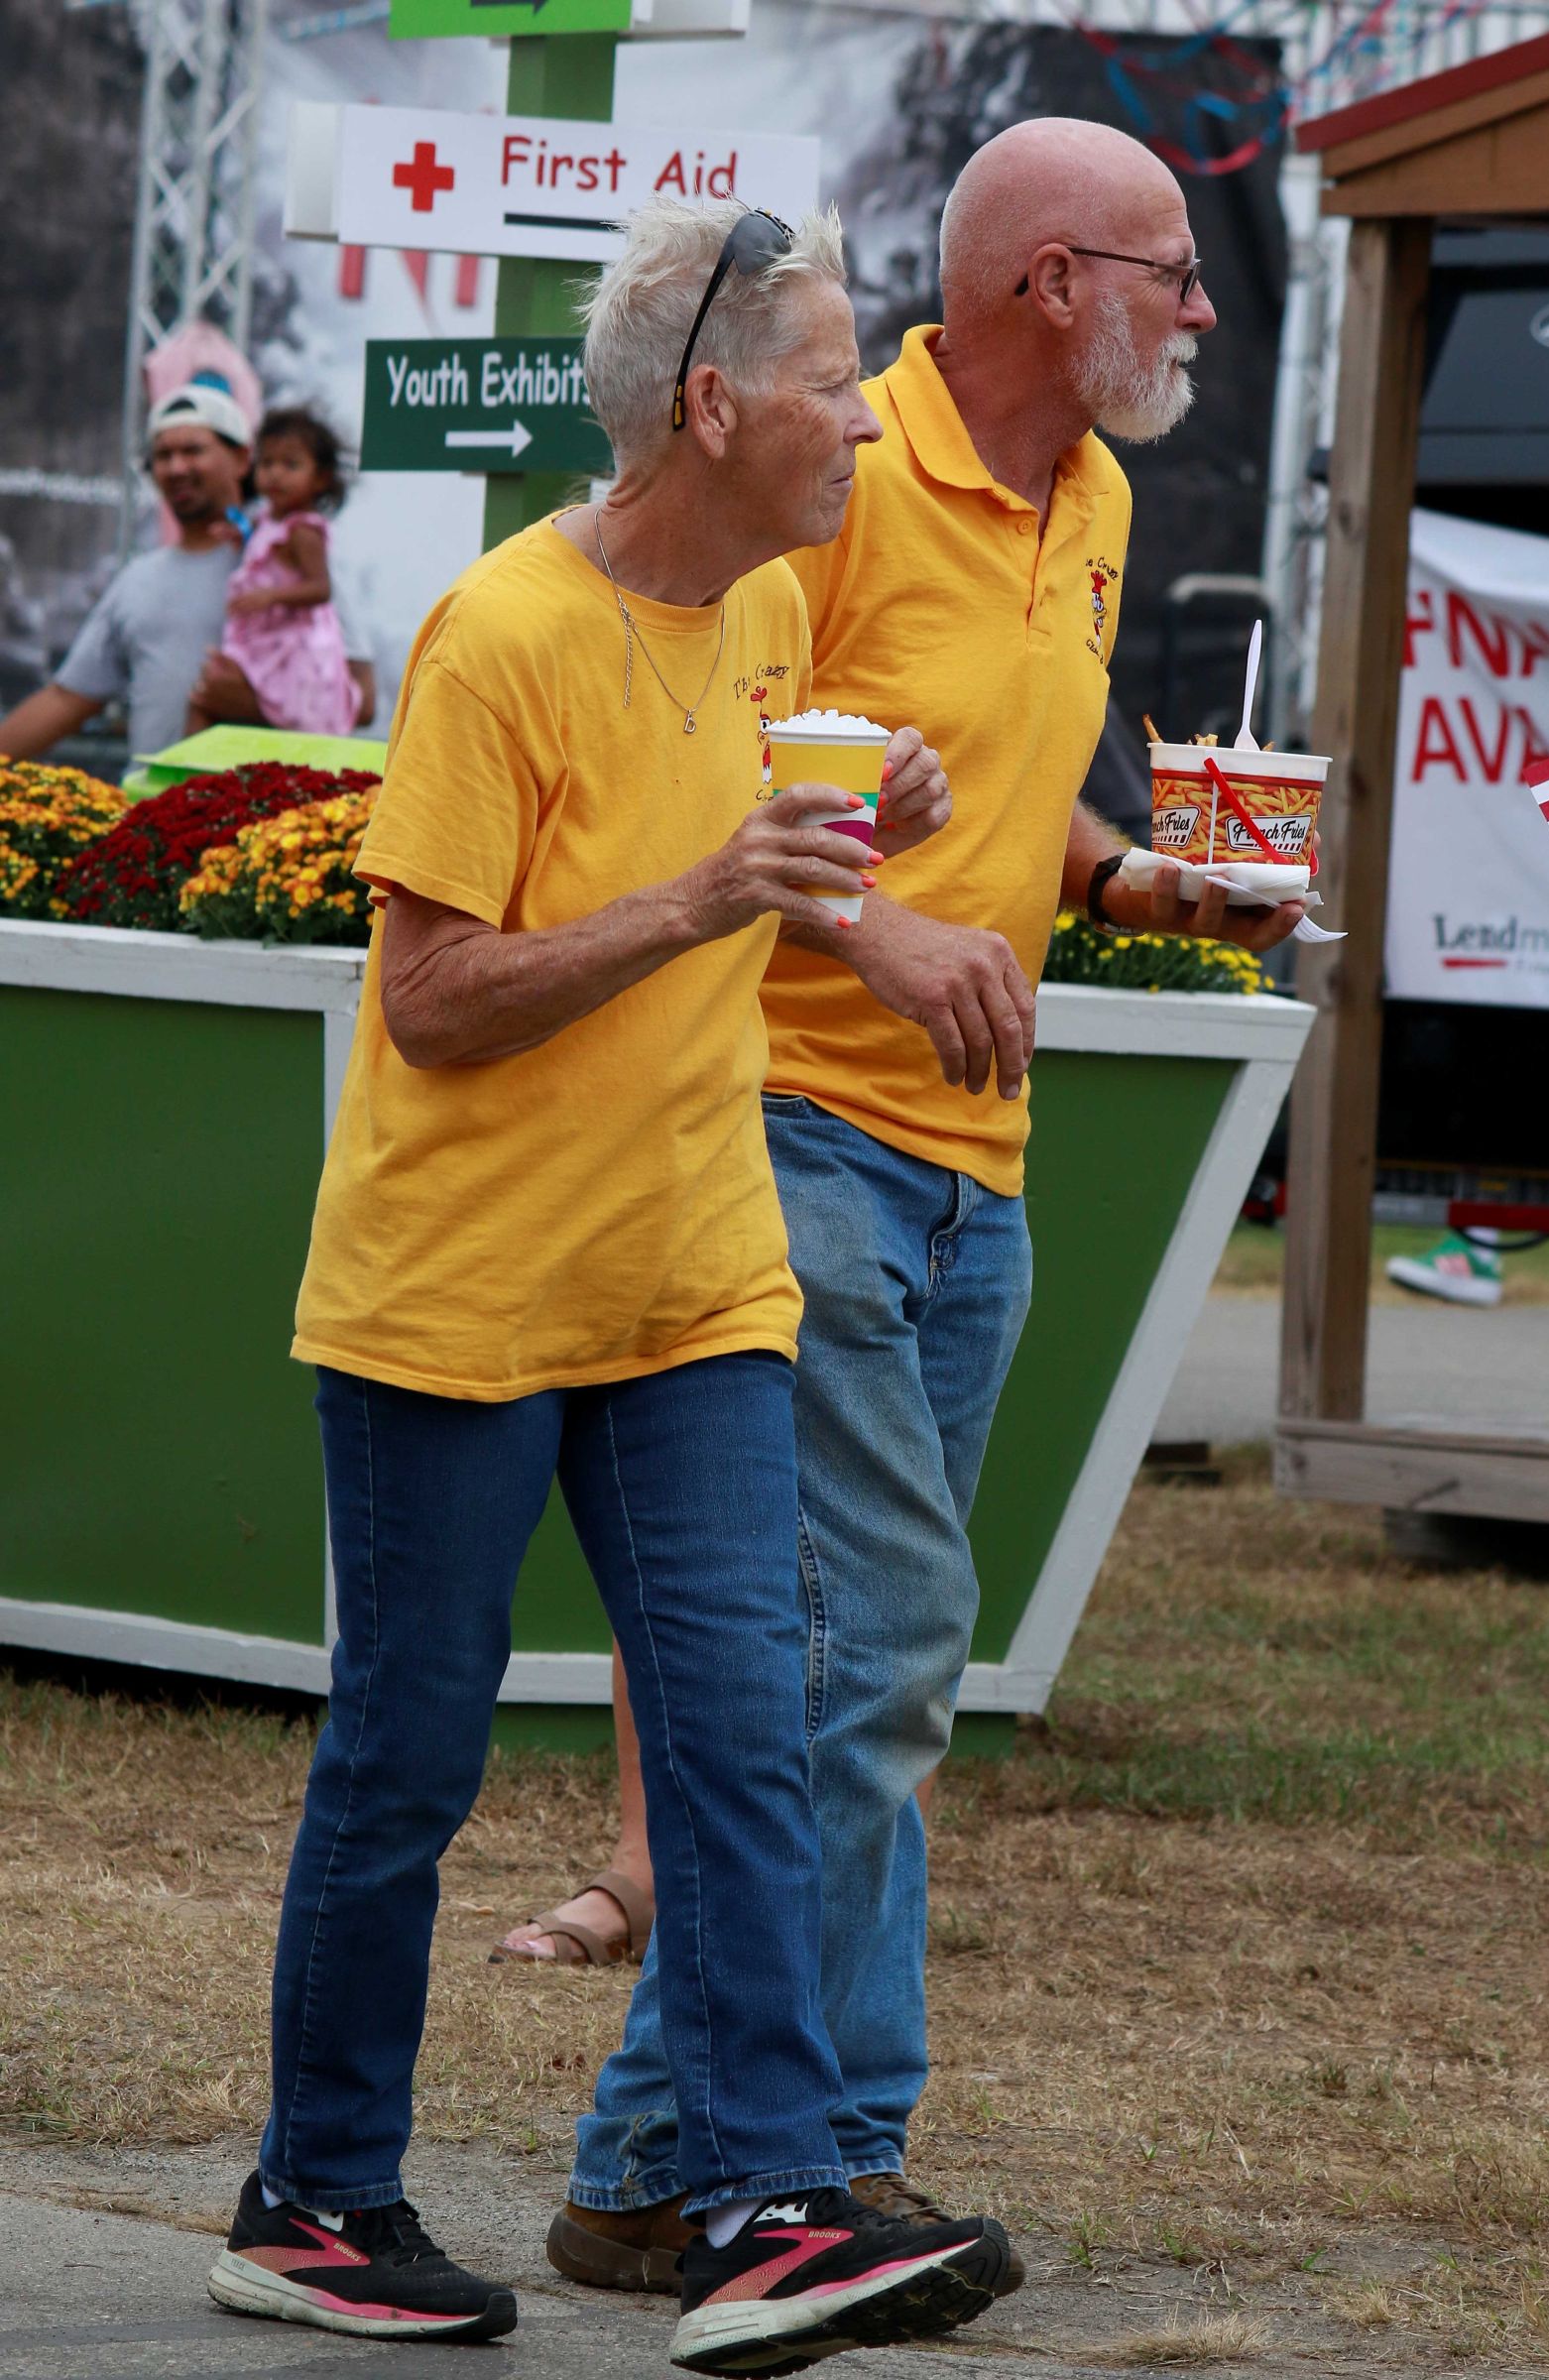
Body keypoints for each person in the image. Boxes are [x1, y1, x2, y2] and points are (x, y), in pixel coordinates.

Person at [203, 198, 1012, 2373]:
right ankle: (315, 2198)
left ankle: (760, 2203)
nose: (868, 415)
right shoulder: (501, 632)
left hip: (693, 1287)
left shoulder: (758, 605)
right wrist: (696, 900)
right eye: (841, 378)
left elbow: (742, 844)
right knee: (404, 1764)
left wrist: (857, 839)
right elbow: (438, 998)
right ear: (711, 401)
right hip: (458, 1299)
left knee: (748, 1746)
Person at [544, 119, 1305, 2294]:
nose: (1198, 304)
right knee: (868, 1664)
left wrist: (1126, 870)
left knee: (857, 1678)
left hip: (973, 1180)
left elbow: (977, 764)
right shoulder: (823, 469)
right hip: (788, 1132)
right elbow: (712, 758)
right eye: (1169, 269)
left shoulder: (1099, 495)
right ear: (1050, 283)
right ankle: (784, 2160)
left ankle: (671, 2163)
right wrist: (870, 940)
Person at [0, 385, 374, 772]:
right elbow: (67, 700)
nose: (177, 467)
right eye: (164, 455)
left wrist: (259, 704)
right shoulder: (137, 578)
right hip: (151, 816)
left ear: (243, 459)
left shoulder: (286, 557)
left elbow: (363, 700)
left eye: (193, 450)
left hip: (265, 825)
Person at [186, 406, 360, 739]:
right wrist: (240, 536)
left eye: (290, 465)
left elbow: (321, 589)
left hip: (292, 647)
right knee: (207, 696)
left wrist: (271, 596)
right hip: (266, 637)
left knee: (207, 699)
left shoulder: (303, 531)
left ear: (320, 478)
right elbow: (265, 547)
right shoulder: (268, 520)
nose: (276, 474)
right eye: (267, 464)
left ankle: (186, 785)